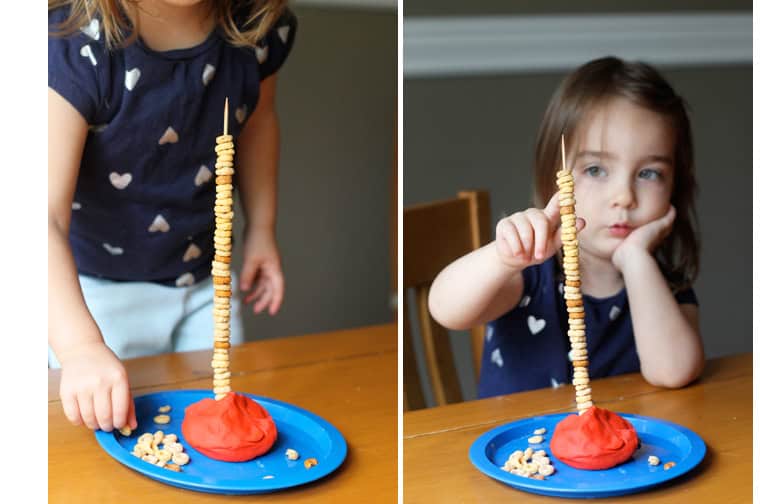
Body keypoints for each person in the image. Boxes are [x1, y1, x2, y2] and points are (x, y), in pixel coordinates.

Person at [48, 0, 296, 432]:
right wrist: (80, 347)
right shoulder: (72, 45)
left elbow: (259, 122)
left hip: (205, 288)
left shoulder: (256, 30)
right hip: (93, 299)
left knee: (211, 438)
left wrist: (262, 227)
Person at [428, 56, 704, 399]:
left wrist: (635, 258)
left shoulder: (665, 285)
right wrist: (503, 257)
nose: (624, 196)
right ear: (555, 180)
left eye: (649, 174)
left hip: (624, 451)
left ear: (675, 187)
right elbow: (445, 308)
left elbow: (673, 371)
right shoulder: (530, 271)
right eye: (596, 170)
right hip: (522, 451)